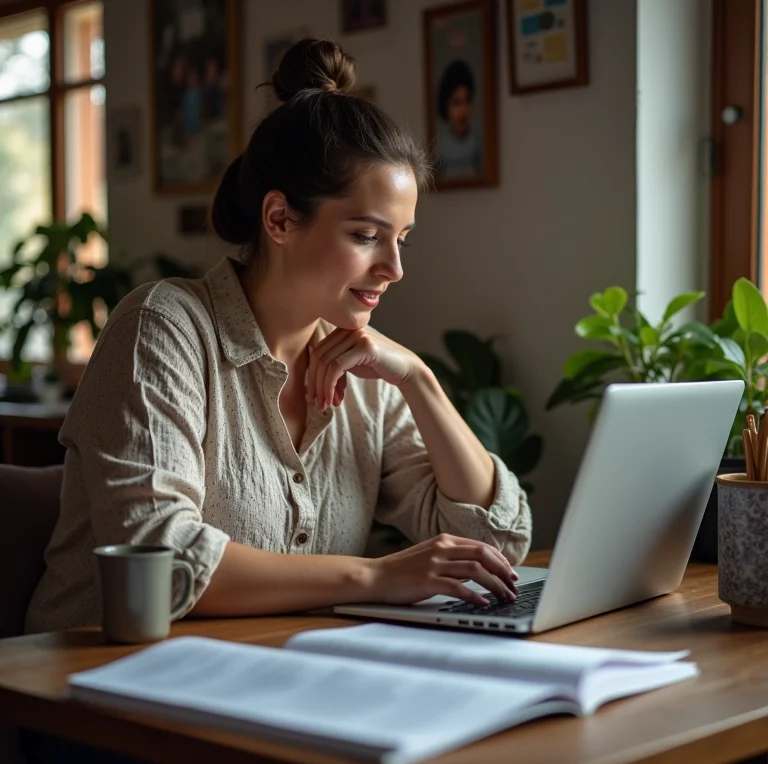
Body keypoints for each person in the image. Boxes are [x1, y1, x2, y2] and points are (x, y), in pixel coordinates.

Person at [25, 38, 531, 639]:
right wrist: (374, 577)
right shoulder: (161, 327)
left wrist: (419, 380)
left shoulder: (366, 369)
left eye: (402, 239)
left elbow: (496, 542)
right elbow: (160, 559)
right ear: (280, 219)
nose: (394, 268)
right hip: (95, 676)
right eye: (367, 236)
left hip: (274, 669)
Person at [436, 59, 482, 179]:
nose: (463, 110)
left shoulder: (477, 142)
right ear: (446, 107)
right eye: (457, 103)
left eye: (467, 101)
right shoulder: (440, 147)